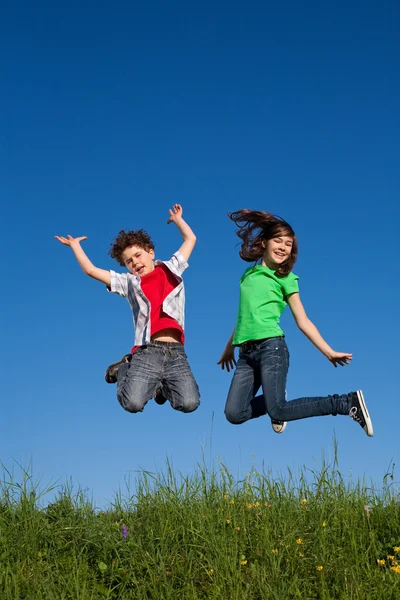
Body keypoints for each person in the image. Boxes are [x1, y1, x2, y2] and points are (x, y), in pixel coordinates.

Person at [217, 209, 373, 437]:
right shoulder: (247, 276)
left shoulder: (286, 279)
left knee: (278, 410)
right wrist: (229, 349)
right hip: (245, 355)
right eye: (278, 241)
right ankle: (275, 399)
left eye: (288, 244)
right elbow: (243, 316)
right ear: (264, 242)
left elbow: (303, 321)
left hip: (272, 349)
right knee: (234, 413)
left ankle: (346, 402)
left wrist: (328, 352)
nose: (282, 247)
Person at [55, 204, 200, 415]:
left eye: (138, 255)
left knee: (189, 403)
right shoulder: (128, 283)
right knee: (132, 403)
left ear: (151, 252)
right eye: (129, 262)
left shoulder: (171, 268)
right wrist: (75, 246)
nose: (135, 263)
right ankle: (124, 367)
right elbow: (91, 270)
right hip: (147, 350)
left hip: (177, 352)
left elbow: (190, 240)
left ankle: (161, 386)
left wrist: (178, 220)